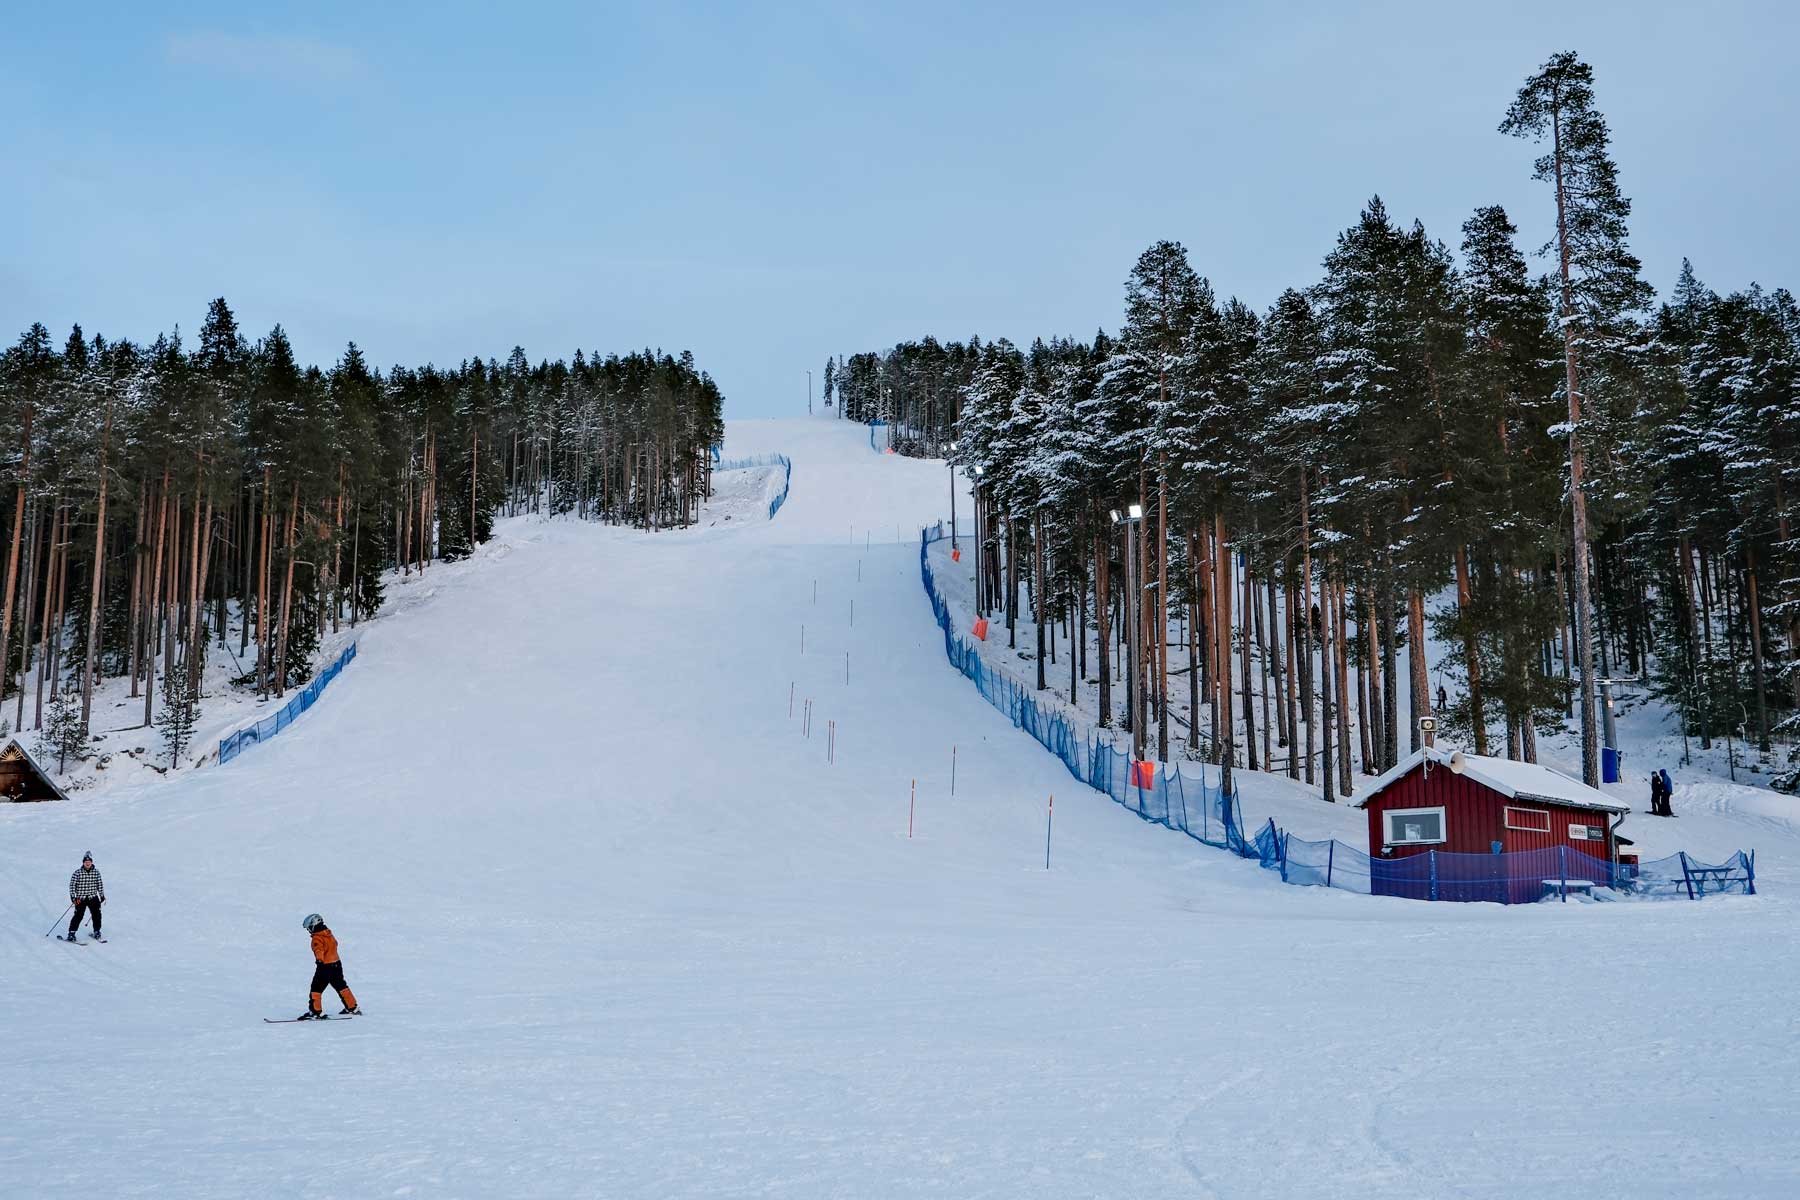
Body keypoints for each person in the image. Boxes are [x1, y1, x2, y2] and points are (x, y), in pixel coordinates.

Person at [298, 913, 360, 1019]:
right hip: (336, 964)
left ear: (313, 925)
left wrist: (319, 960)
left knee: (316, 988)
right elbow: (335, 944)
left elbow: (318, 950)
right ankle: (352, 1007)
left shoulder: (317, 938)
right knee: (341, 986)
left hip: (325, 966)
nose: (309, 930)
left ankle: (315, 1012)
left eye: (309, 928)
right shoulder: (328, 933)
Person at [68, 852, 105, 941]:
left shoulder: (96, 872)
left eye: (89, 862)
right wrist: (73, 897)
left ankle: (97, 931)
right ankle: (71, 933)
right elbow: (72, 886)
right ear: (83, 863)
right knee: (78, 915)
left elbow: (99, 884)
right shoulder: (77, 873)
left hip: (93, 897)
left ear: (91, 862)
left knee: (97, 914)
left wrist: (101, 895)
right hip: (81, 898)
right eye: (86, 862)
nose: (87, 863)